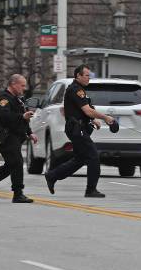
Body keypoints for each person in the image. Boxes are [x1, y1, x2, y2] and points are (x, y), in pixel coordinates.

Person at [44, 65, 114, 197]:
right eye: (86, 75)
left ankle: (52, 176)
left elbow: (80, 111)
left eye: (89, 75)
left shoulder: (79, 89)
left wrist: (92, 120)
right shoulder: (76, 89)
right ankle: (90, 190)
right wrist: (105, 117)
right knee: (93, 156)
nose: (89, 78)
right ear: (78, 76)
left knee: (80, 159)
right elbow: (87, 110)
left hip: (78, 128)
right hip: (77, 129)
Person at [0, 74, 38, 203]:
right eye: (22, 85)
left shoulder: (17, 100)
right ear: (13, 84)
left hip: (15, 137)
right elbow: (6, 117)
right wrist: (22, 117)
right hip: (6, 137)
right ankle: (18, 194)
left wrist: (30, 132)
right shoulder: (3, 99)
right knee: (17, 163)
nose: (24, 88)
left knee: (11, 165)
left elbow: (23, 118)